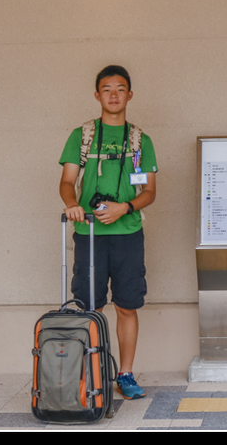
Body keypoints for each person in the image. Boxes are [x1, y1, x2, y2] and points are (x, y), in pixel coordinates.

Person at [59, 65, 157, 400]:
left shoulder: (140, 140)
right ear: (97, 94)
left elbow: (148, 192)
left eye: (120, 89)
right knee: (90, 306)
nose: (113, 95)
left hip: (128, 232)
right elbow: (67, 182)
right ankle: (92, 371)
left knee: (128, 305)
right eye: (106, 89)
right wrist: (72, 204)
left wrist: (123, 208)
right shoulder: (82, 135)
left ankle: (125, 374)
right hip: (88, 233)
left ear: (130, 94)